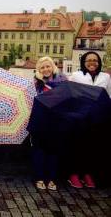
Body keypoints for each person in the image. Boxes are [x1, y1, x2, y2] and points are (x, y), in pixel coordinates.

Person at [67, 51, 111, 188]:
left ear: (99, 62)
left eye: (95, 60)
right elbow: (69, 95)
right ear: (83, 63)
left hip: (98, 118)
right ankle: (73, 174)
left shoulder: (106, 77)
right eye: (88, 60)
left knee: (93, 147)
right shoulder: (76, 75)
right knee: (77, 146)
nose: (92, 63)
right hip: (80, 118)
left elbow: (108, 97)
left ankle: (87, 174)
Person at [31, 56, 67, 190]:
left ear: (53, 67)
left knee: (54, 151)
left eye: (48, 66)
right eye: (42, 67)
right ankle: (39, 178)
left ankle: (51, 178)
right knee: (39, 150)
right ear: (38, 70)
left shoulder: (62, 81)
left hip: (56, 121)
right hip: (40, 120)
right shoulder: (35, 83)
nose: (46, 69)